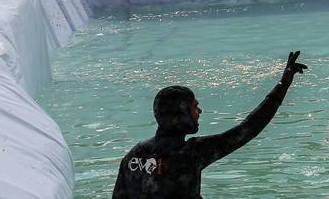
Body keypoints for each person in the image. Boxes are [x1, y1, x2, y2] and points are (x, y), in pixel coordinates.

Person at [112, 51, 308, 198]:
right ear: (181, 114)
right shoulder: (190, 153)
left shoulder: (132, 157)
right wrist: (283, 85)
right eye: (194, 107)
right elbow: (248, 129)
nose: (199, 112)